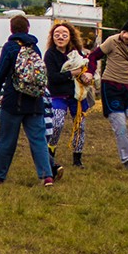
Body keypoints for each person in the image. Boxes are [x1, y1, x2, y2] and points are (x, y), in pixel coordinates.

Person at [0, 15, 55, 186]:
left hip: (13, 101)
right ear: (28, 28)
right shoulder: (35, 48)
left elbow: (1, 73)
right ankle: (46, 176)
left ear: (11, 29)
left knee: (7, 140)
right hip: (35, 102)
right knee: (38, 140)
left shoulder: (10, 47)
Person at [87, 18, 128, 170]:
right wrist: (90, 72)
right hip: (111, 87)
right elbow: (93, 56)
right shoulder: (112, 41)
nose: (125, 36)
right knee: (120, 125)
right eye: (124, 32)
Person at [43, 21, 92, 168]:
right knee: (57, 123)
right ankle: (50, 152)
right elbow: (52, 77)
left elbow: (85, 68)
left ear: (70, 36)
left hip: (77, 95)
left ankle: (77, 158)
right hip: (57, 94)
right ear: (52, 37)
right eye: (57, 34)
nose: (60, 37)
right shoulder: (50, 54)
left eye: (64, 34)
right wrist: (71, 73)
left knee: (80, 126)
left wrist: (86, 76)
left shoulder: (77, 53)